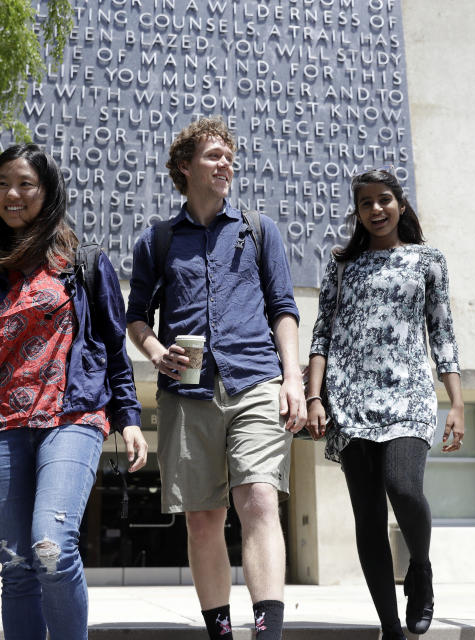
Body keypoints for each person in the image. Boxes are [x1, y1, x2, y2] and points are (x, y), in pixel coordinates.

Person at [0, 143, 148, 640]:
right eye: (1, 184)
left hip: (72, 416)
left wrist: (128, 418)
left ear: (49, 191)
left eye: (25, 184)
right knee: (16, 564)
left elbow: (112, 346)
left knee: (51, 548)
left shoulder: (83, 262)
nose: (11, 194)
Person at [126, 116, 307, 640]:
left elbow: (283, 308)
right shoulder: (157, 240)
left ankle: (267, 632)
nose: (226, 163)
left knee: (258, 499)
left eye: (229, 156)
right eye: (213, 156)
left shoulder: (257, 229)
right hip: (187, 392)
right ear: (185, 168)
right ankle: (221, 632)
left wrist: (292, 379)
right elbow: (136, 315)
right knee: (203, 517)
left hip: (256, 380)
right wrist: (155, 350)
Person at [305, 169, 464, 640]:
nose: (375, 210)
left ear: (400, 204)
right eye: (365, 203)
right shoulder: (341, 263)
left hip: (409, 393)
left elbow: (443, 332)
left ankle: (420, 567)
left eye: (384, 200)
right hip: (349, 396)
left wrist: (455, 402)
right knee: (368, 515)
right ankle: (390, 625)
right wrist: (315, 397)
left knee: (403, 486)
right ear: (357, 212)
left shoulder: (427, 260)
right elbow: (322, 333)